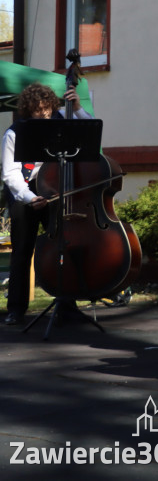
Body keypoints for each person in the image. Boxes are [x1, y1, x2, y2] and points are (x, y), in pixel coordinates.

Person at [2, 83, 92, 325]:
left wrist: (78, 108)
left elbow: (87, 132)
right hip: (25, 189)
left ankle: (66, 305)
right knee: (22, 249)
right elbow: (10, 175)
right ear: (28, 110)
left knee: (63, 245)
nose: (43, 114)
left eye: (47, 108)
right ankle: (16, 309)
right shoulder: (13, 133)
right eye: (37, 109)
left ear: (53, 106)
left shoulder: (63, 121)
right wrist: (30, 198)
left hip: (55, 187)